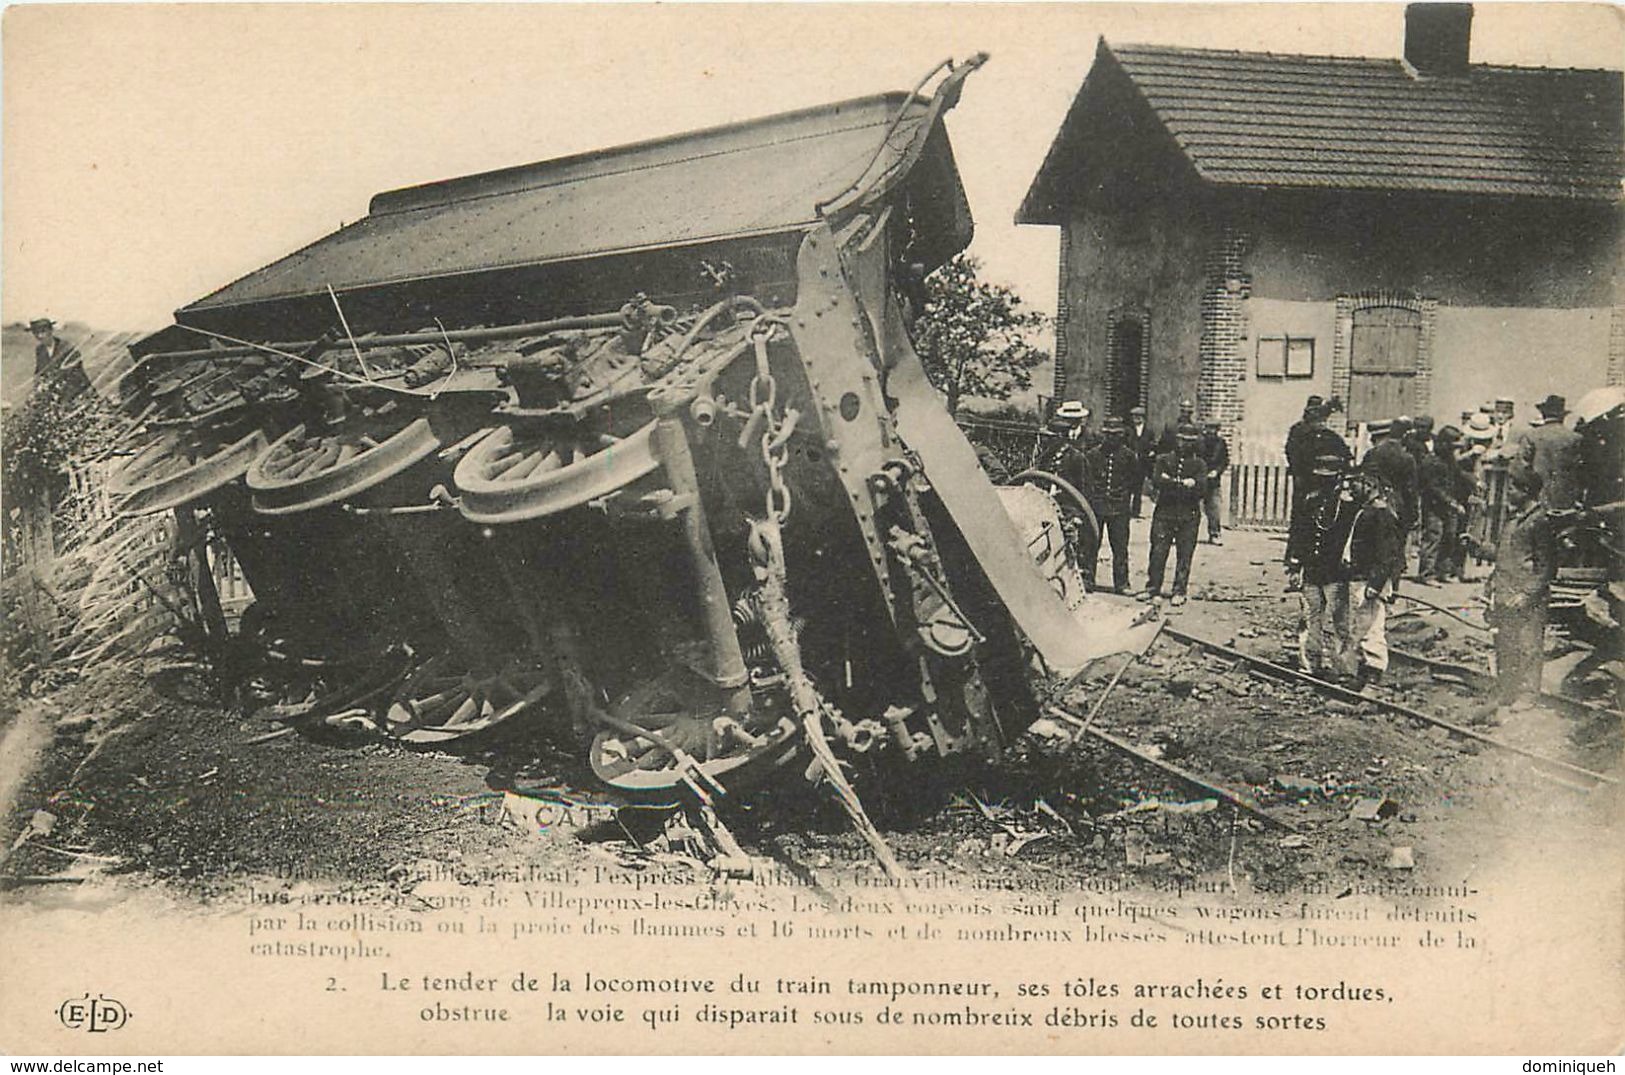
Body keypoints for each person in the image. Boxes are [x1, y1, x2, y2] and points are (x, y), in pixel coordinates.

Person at [1466, 463, 1556, 715]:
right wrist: (1479, 547)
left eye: (1513, 488)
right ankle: (1507, 690)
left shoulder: (1540, 522)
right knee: (1505, 645)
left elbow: (1547, 567)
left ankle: (1528, 694)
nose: (1509, 494)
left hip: (1526, 598)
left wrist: (1527, 594)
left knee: (1528, 646)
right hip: (1506, 593)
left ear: (1526, 491)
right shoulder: (1515, 520)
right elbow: (1504, 555)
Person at [1338, 474, 1404, 691]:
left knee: (1372, 626)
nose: (1352, 488)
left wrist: (1375, 584)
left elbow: (1387, 555)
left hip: (1370, 580)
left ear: (1369, 485)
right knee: (1361, 625)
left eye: (1356, 483)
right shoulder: (1367, 510)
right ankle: (1363, 670)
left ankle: (1374, 671)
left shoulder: (1382, 514)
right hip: (1361, 577)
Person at [1297, 449, 1354, 677]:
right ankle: (1310, 663)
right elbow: (1300, 533)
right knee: (1311, 617)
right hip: (1312, 568)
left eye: (1328, 478)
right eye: (1320, 477)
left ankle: (1342, 667)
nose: (1323, 482)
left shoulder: (1347, 505)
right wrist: (1294, 563)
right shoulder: (1310, 500)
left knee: (1339, 621)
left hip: (1335, 571)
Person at [1143, 423, 1208, 606]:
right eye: (1181, 440)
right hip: (1165, 512)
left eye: (1189, 441)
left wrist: (1171, 482)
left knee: (1184, 553)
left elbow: (1202, 489)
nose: (1184, 444)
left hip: (1189, 514)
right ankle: (1152, 588)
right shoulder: (1163, 460)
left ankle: (1179, 590)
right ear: (1176, 440)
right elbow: (1157, 481)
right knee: (1158, 551)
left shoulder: (1199, 464)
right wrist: (1184, 483)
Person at [1079, 415, 1138, 593]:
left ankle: (1122, 583)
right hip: (1096, 508)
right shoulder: (1092, 455)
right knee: (1090, 544)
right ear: (1104, 434)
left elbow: (1134, 481)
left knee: (1120, 547)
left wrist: (1123, 497)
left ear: (1121, 435)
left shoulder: (1129, 456)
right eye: (1109, 434)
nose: (1112, 437)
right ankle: (1087, 580)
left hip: (1119, 509)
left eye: (1116, 434)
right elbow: (1087, 482)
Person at [1514, 394, 1582, 510]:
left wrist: (1524, 499)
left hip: (1537, 501)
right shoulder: (1575, 438)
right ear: (1563, 416)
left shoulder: (1531, 436)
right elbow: (1582, 471)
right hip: (1568, 502)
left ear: (1543, 414)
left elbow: (1519, 471)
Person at [1418, 425, 1467, 584]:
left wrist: (1474, 483)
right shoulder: (1431, 461)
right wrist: (1453, 503)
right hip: (1433, 506)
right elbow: (1434, 488)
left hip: (1448, 505)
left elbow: (1459, 474)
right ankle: (1426, 574)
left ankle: (1442, 571)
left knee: (1449, 537)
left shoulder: (1449, 459)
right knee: (1433, 538)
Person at [1362, 417, 1419, 534]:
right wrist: (1413, 516)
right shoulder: (1407, 458)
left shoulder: (1371, 454)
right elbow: (1410, 490)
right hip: (1397, 508)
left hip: (1372, 505)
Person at [29, 317, 91, 404]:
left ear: (50, 331)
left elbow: (75, 373)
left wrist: (53, 383)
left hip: (75, 390)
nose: (40, 336)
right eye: (36, 333)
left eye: (43, 331)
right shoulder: (40, 350)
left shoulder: (66, 347)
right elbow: (39, 371)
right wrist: (38, 385)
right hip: (53, 391)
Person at [1198, 419, 1229, 545]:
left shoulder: (1221, 443)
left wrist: (1217, 471)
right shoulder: (1199, 442)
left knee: (1214, 508)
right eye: (1209, 428)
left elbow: (1224, 461)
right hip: (1199, 479)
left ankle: (1214, 533)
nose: (1211, 431)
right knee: (1191, 507)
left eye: (1214, 429)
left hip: (1213, 481)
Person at [1127, 405, 1154, 518]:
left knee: (1138, 488)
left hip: (1142, 463)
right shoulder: (1128, 430)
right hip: (1130, 463)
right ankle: (1126, 510)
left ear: (1143, 418)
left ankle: (1136, 511)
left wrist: (1150, 453)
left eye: (1139, 417)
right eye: (1134, 417)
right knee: (1128, 487)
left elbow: (1152, 445)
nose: (1136, 419)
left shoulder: (1148, 432)